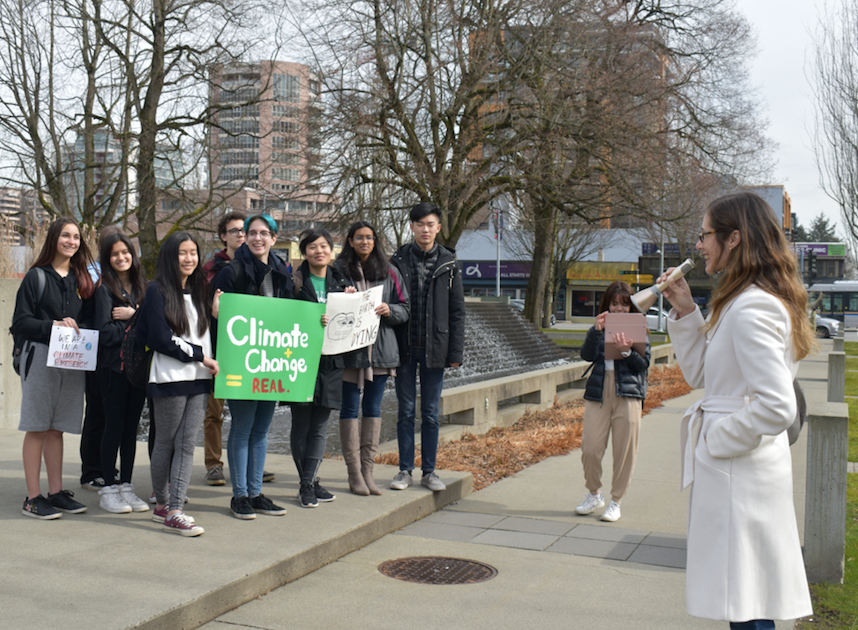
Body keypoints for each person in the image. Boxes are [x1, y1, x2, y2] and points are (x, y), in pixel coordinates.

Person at [660, 191, 815, 628]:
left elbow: (777, 405)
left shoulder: (752, 307)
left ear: (734, 239)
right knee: (746, 599)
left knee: (746, 604)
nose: (699, 245)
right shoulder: (749, 300)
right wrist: (687, 311)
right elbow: (703, 375)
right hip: (742, 471)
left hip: (739, 472)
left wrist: (716, 438)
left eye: (706, 234)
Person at [11, 217, 96, 519]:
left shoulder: (82, 279)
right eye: (65, 236)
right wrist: (53, 326)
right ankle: (33, 497)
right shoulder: (36, 277)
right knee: (37, 427)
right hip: (40, 356)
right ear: (53, 239)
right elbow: (19, 322)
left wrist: (79, 328)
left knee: (57, 428)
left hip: (71, 360)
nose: (72, 241)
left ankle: (56, 493)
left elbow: (89, 321)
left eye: (76, 237)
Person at [136, 232, 219, 536]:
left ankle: (175, 509)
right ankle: (163, 503)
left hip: (199, 379)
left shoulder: (200, 289)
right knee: (166, 442)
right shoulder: (157, 291)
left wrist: (215, 316)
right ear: (170, 257)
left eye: (193, 253)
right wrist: (199, 356)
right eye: (182, 253)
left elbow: (204, 334)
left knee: (187, 445)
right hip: (169, 379)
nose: (189, 258)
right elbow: (159, 338)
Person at [212, 214, 292, 520]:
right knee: (243, 427)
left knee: (261, 430)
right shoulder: (230, 271)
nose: (258, 238)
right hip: (241, 362)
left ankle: (256, 493)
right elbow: (217, 319)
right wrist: (217, 314)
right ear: (245, 237)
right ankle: (240, 496)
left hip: (271, 362)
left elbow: (290, 313)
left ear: (274, 237)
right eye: (252, 233)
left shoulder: (282, 270)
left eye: (264, 233)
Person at [389, 202, 465, 492]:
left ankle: (429, 471)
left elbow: (457, 311)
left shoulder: (448, 263)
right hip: (405, 347)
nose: (425, 229)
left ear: (438, 228)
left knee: (431, 412)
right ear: (411, 226)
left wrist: (455, 353)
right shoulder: (398, 261)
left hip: (436, 348)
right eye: (419, 224)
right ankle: (404, 470)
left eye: (430, 224)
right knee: (406, 410)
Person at [334, 221, 410, 495]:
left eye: (369, 237)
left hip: (381, 351)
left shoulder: (390, 271)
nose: (364, 242)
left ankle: (368, 471)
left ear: (376, 240)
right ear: (350, 241)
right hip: (350, 352)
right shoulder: (339, 270)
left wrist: (391, 310)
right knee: (349, 408)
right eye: (358, 238)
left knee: (374, 409)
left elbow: (405, 308)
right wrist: (344, 298)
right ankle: (354, 474)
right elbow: (328, 304)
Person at [574, 281, 650, 523]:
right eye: (614, 304)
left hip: (628, 394)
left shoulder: (639, 327)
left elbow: (643, 365)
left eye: (624, 305)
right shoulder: (599, 326)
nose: (618, 309)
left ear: (631, 308)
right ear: (606, 304)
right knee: (590, 449)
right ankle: (594, 494)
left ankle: (616, 501)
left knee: (624, 451)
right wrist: (596, 331)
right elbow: (586, 355)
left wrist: (627, 351)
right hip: (599, 392)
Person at [201, 211, 266, 487]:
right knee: (215, 411)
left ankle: (251, 466)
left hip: (251, 352)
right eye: (235, 231)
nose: (241, 235)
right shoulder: (212, 270)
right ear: (223, 236)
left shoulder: (261, 265)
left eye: (244, 230)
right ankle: (214, 464)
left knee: (249, 416)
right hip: (219, 349)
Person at [291, 228, 353, 508]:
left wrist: (351, 302)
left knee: (319, 426)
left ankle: (309, 482)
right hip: (300, 360)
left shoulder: (341, 282)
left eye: (324, 246)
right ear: (304, 252)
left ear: (332, 250)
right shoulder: (292, 282)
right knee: (301, 424)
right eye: (313, 247)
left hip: (330, 362)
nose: (319, 251)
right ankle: (306, 483)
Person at [93, 231, 150, 513]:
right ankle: (109, 489)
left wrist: (132, 315)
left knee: (131, 429)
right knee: (113, 427)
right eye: (114, 254)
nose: (121, 257)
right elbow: (104, 333)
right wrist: (137, 319)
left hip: (138, 369)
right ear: (107, 258)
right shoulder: (104, 289)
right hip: (114, 369)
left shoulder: (143, 286)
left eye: (125, 252)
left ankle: (126, 485)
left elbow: (153, 325)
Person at [79, 226, 120, 492]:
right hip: (94, 354)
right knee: (96, 414)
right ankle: (91, 471)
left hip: (113, 357)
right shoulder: (92, 276)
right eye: (112, 249)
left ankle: (105, 467)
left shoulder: (120, 277)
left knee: (109, 416)